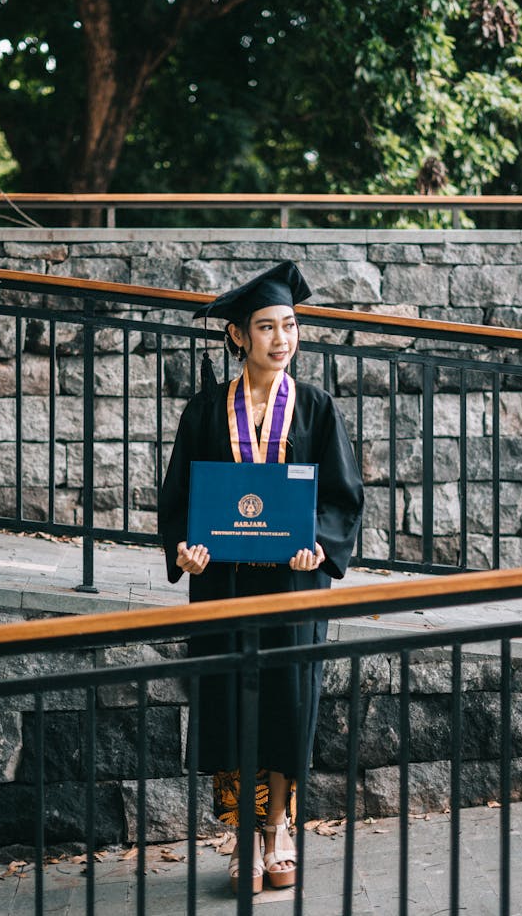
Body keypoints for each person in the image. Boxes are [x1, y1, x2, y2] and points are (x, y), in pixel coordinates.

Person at [158, 261, 364, 895]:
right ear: (238, 337)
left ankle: (279, 830)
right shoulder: (204, 411)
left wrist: (319, 547)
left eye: (291, 326)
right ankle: (243, 840)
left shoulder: (318, 409)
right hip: (221, 586)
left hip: (294, 586)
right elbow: (180, 498)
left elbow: (342, 497)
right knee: (227, 706)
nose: (282, 339)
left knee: (285, 703)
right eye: (267, 327)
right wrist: (185, 550)